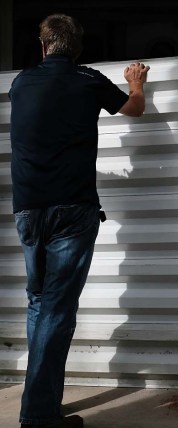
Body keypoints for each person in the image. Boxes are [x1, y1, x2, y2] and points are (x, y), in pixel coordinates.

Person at [9, 14, 150, 428]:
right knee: (56, 310)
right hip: (72, 210)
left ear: (42, 47)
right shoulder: (88, 81)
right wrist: (136, 80)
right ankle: (38, 416)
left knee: (39, 305)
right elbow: (134, 109)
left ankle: (41, 406)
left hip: (28, 209)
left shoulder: (20, 84)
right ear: (78, 49)